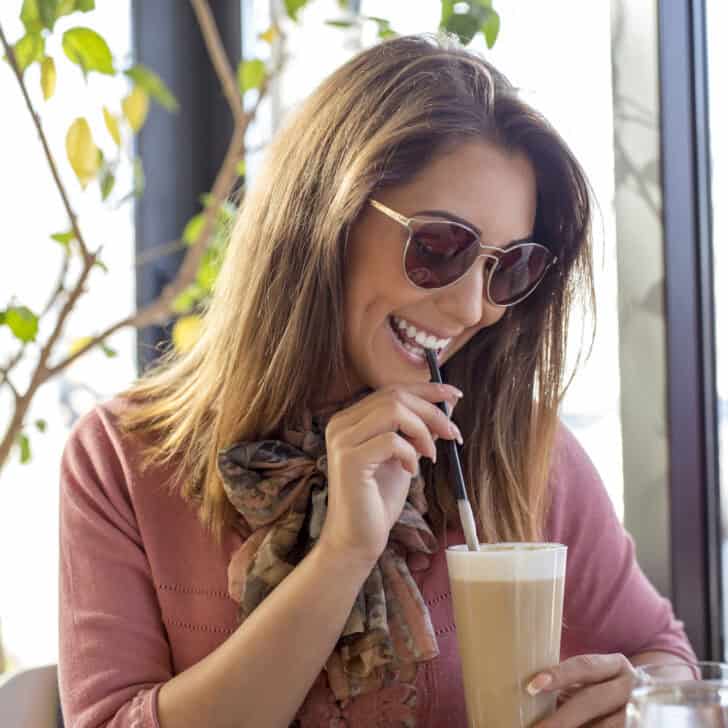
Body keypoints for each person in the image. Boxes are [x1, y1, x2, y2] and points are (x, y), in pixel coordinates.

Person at [58, 33, 695, 728]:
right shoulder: (124, 458)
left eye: (508, 267)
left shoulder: (522, 450)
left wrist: (636, 701)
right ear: (326, 215)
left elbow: (660, 656)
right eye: (441, 246)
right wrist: (343, 554)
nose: (471, 307)